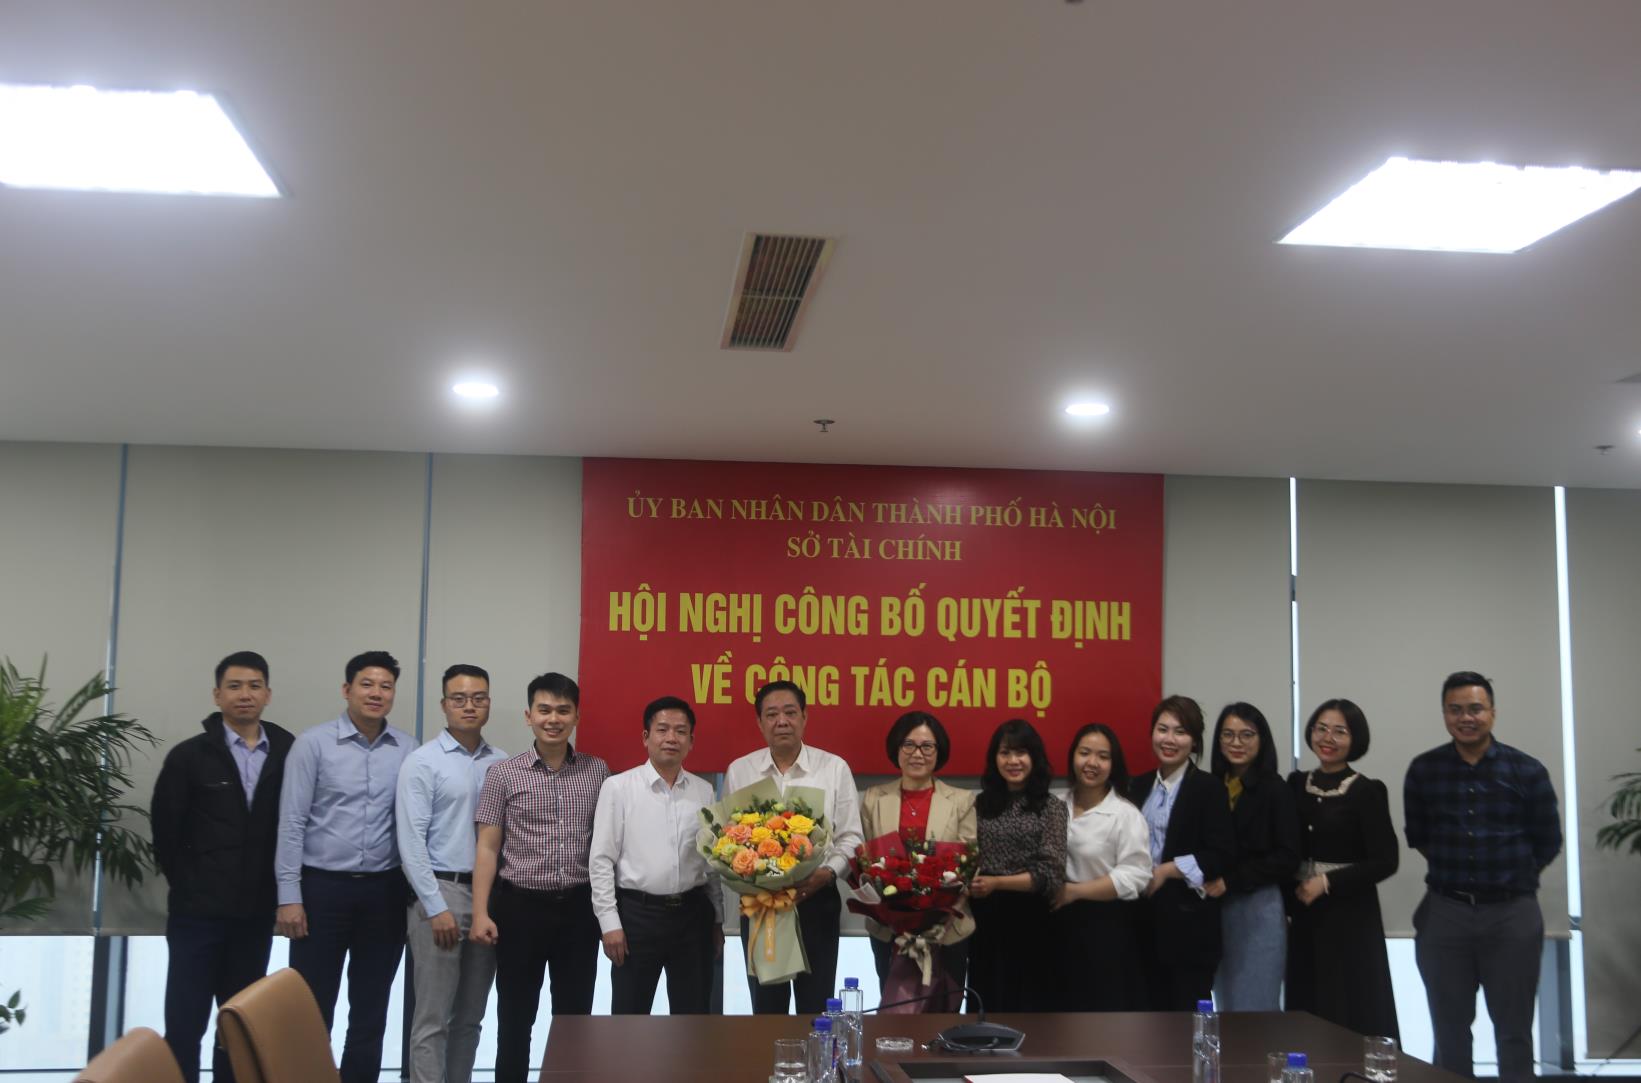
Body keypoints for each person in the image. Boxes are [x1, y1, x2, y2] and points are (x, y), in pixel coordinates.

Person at [1405, 672, 1561, 1082]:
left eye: (1475, 708)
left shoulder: (1527, 770)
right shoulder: (1424, 770)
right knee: (1449, 1031)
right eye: (1455, 710)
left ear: (1492, 712)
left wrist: (1508, 875)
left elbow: (1548, 840)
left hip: (1512, 914)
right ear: (1444, 714)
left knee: (1514, 1031)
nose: (1466, 718)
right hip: (1446, 912)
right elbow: (1419, 836)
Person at [150, 651, 294, 1083]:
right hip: (197, 916)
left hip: (254, 916)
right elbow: (166, 833)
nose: (244, 694)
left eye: (254, 686)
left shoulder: (288, 752)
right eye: (234, 686)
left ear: (268, 694)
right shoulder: (189, 756)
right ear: (217, 695)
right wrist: (193, 886)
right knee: (185, 1023)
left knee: (239, 1028)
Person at [274, 650, 416, 1083]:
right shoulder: (312, 744)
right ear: (347, 689)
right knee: (312, 1007)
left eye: (386, 686)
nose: (376, 693)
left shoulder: (408, 750)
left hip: (384, 892)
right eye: (366, 684)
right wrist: (289, 897)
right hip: (322, 891)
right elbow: (292, 822)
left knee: (371, 1009)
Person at [470, 672, 609, 1083]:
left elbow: (607, 845)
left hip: (579, 911)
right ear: (528, 716)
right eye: (544, 710)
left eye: (563, 710)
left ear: (577, 717)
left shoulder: (597, 771)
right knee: (515, 1018)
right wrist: (480, 912)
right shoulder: (503, 773)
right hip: (520, 910)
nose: (554, 719)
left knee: (575, 1020)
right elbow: (487, 848)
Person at [722, 680, 864, 1015]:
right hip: (762, 904)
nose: (781, 721)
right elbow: (727, 840)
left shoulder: (834, 768)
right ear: (760, 722)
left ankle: (817, 1053)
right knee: (766, 1008)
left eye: (790, 712)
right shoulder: (740, 770)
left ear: (804, 717)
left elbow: (852, 837)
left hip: (816, 900)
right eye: (772, 714)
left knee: (815, 1006)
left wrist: (826, 874)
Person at [394, 664, 506, 1083]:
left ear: (489, 703)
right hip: (440, 893)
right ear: (444, 705)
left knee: (470, 1018)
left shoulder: (502, 763)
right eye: (459, 699)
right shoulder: (422, 762)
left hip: (487, 899)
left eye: (478, 698)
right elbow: (411, 843)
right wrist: (434, 906)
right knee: (432, 1018)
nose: (469, 706)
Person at [589, 695, 724, 1015]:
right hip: (637, 917)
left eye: (681, 731)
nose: (671, 738)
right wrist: (609, 923)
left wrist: (717, 920)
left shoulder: (704, 791)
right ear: (645, 737)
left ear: (691, 741)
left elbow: (711, 863)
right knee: (630, 1019)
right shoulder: (618, 788)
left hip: (693, 916)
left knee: (693, 1019)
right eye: (662, 729)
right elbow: (601, 861)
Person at [1286, 698, 1399, 1039]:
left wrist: (1326, 882)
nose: (1328, 738)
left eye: (1340, 731)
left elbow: (1386, 860)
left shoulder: (1366, 791)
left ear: (1355, 738)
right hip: (1303, 913)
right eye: (1321, 728)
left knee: (1348, 1006)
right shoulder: (1295, 785)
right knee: (1306, 1005)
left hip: (1350, 916)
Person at [858, 710, 978, 1010]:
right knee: (894, 1013)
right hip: (890, 931)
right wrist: (893, 913)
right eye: (909, 745)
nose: (917, 754)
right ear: (896, 749)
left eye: (927, 746)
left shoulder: (961, 801)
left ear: (939, 751)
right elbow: (865, 864)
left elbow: (968, 866)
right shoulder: (873, 798)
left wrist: (937, 919)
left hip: (947, 931)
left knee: (943, 1016)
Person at [1129, 694, 1235, 1011]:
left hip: (1189, 928)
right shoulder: (1138, 786)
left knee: (1183, 1021)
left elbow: (1220, 854)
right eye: (1163, 729)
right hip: (1141, 922)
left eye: (1181, 731)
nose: (1170, 739)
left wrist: (1166, 871)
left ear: (1195, 741)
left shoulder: (1209, 788)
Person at [967, 718, 1067, 1013]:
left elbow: (1051, 872)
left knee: (1030, 1007)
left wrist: (997, 882)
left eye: (1021, 752)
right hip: (986, 918)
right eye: (1005, 753)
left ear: (1034, 757)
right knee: (987, 1002)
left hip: (1033, 919)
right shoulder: (980, 804)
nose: (1013, 761)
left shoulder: (1051, 806)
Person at [1049, 722, 1151, 1012]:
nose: (1092, 763)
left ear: (1113, 764)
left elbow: (1136, 875)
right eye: (1084, 753)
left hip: (1105, 928)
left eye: (1103, 756)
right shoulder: (1055, 805)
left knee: (1100, 1013)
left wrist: (1075, 892)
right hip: (1056, 924)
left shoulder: (1125, 814)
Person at [1207, 702, 1299, 1011]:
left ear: (1262, 740)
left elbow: (1288, 857)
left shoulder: (1276, 789)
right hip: (1214, 906)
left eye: (1246, 735)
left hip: (1258, 906)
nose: (1236, 743)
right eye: (1228, 735)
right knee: (1224, 1004)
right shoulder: (1212, 786)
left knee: (1255, 1007)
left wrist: (1231, 881)